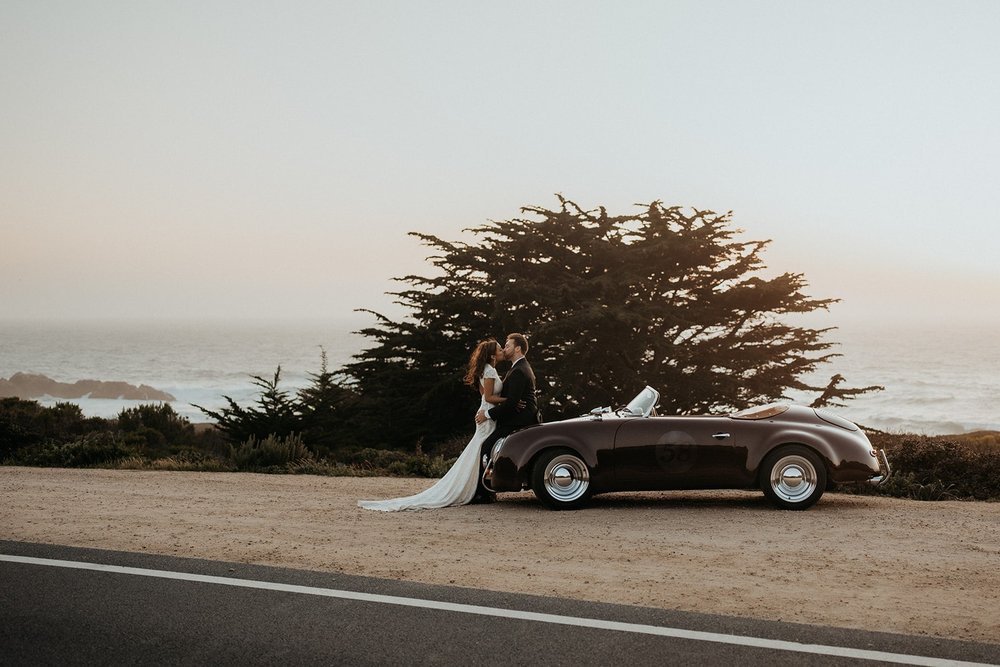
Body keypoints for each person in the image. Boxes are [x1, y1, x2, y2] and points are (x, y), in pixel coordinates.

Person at [358, 338, 509, 511]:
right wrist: (510, 401)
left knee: (478, 450)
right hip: (487, 415)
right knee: (480, 450)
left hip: (486, 412)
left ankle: (478, 488)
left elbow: (483, 395)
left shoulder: (489, 369)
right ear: (492, 354)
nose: (503, 350)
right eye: (499, 348)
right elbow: (489, 397)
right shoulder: (489, 370)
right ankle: (477, 489)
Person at [472, 333, 541, 503]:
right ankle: (486, 490)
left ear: (518, 348)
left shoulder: (519, 370)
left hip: (519, 420)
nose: (505, 348)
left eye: (508, 345)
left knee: (487, 446)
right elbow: (507, 400)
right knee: (487, 445)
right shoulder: (518, 367)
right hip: (516, 417)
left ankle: (483, 492)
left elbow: (511, 404)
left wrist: (487, 414)